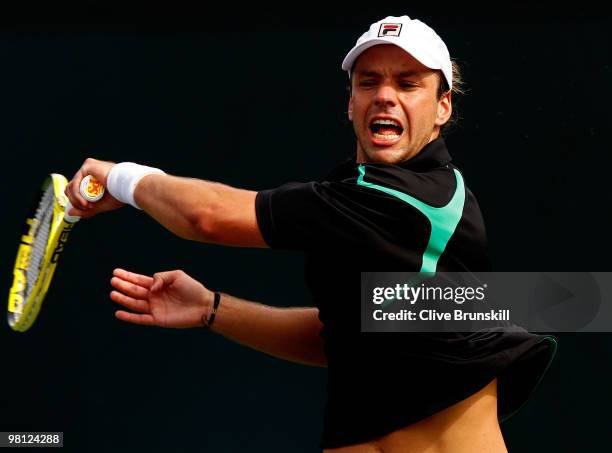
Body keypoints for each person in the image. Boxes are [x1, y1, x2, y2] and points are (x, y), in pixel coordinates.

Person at [65, 15, 557, 453]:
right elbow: (346, 336)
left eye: (408, 84)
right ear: (351, 103)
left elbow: (207, 217)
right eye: (369, 82)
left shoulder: (403, 202)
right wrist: (213, 309)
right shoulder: (380, 200)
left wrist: (121, 177)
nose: (385, 94)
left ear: (443, 107)